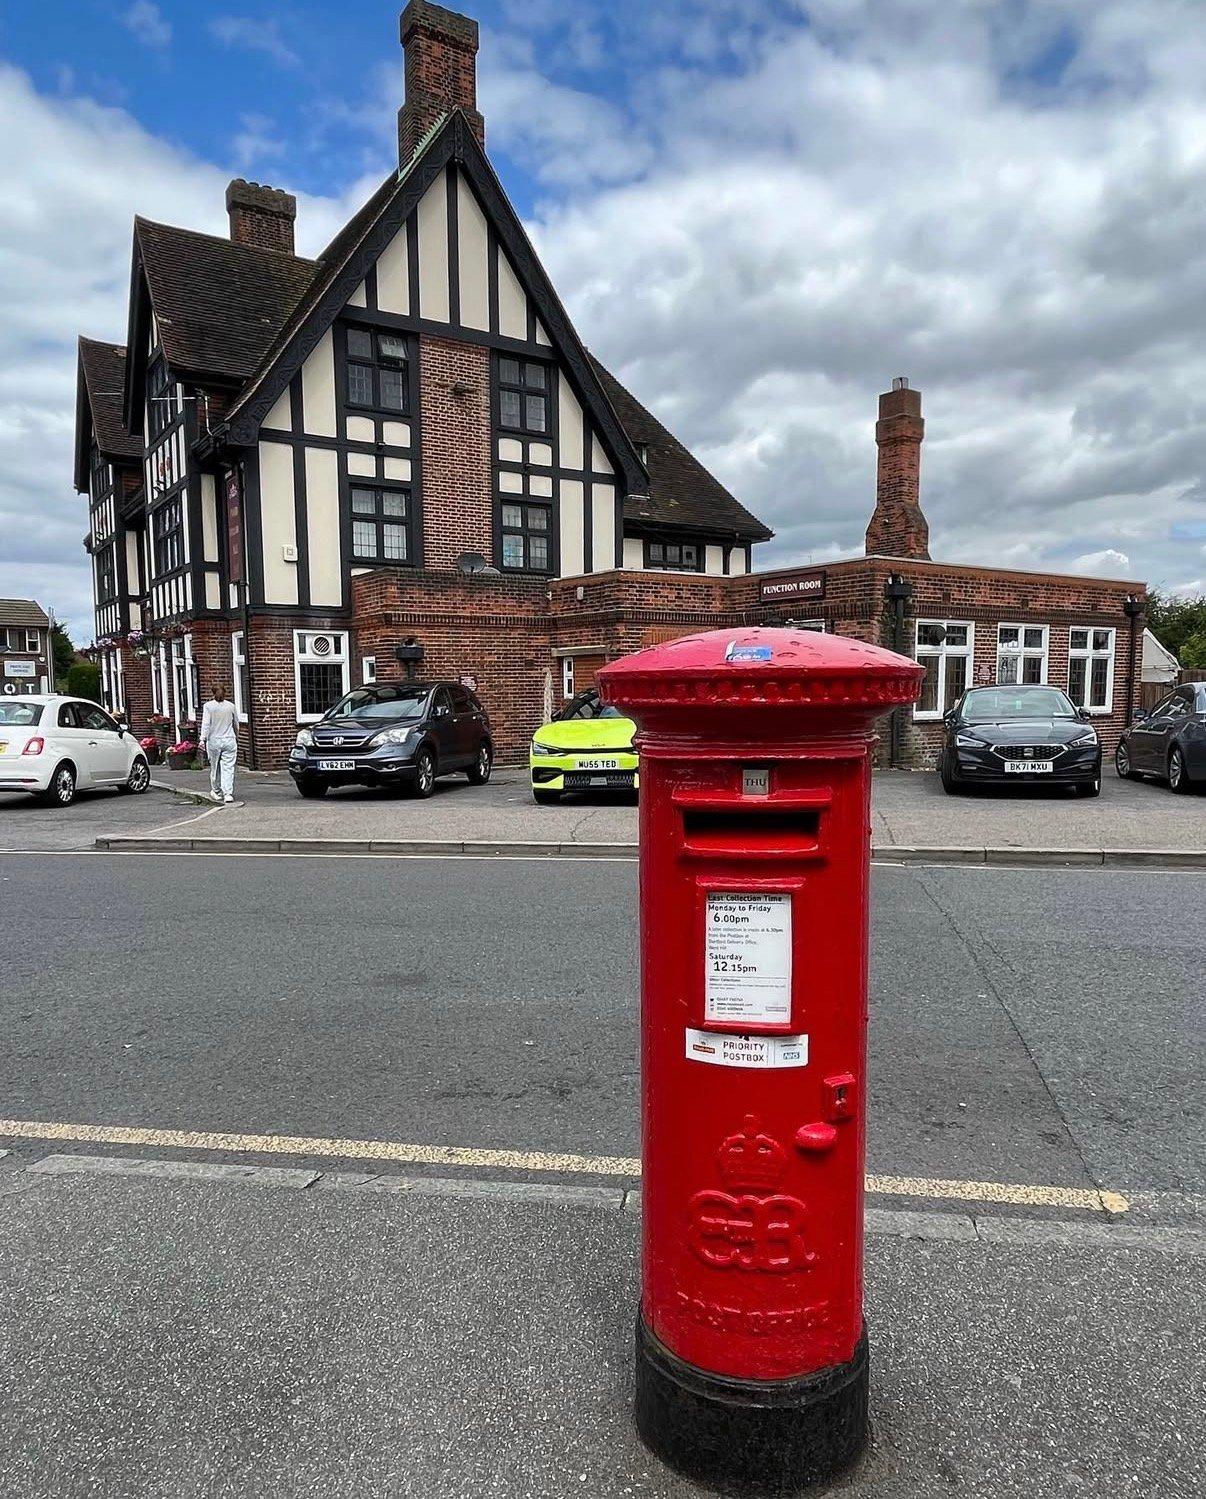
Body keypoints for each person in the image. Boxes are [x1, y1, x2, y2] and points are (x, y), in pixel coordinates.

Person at [199, 684, 239, 803]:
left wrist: (202, 739)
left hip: (214, 740)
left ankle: (216, 791)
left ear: (213, 693)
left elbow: (206, 724)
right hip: (229, 739)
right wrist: (236, 735)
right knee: (228, 767)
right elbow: (236, 723)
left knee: (215, 767)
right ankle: (228, 793)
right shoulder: (231, 706)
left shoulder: (208, 707)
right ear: (225, 693)